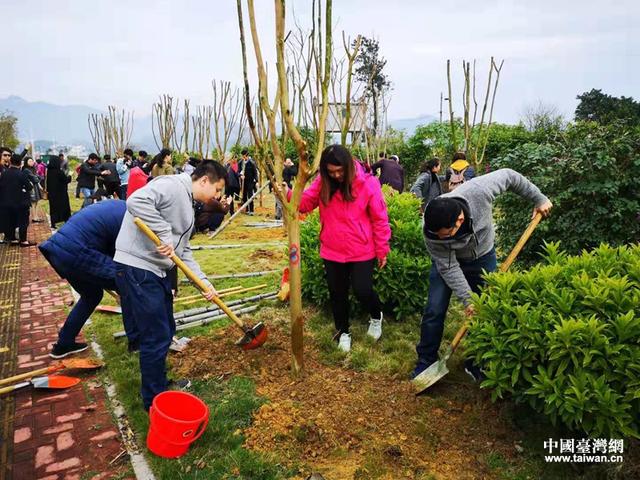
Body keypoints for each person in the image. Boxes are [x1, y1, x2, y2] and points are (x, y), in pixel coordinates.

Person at [413, 168, 553, 381]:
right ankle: (426, 361)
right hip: (450, 262)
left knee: (486, 310)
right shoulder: (431, 232)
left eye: (445, 235)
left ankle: (476, 360)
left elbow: (509, 175)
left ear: (459, 220)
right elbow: (449, 268)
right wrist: (469, 301)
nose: (441, 238)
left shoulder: (478, 191)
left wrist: (539, 198)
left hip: (483, 257)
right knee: (434, 309)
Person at [114, 160, 226, 411]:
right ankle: (154, 400)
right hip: (139, 267)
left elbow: (182, 252)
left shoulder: (188, 203)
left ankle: (159, 385)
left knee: (165, 330)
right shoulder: (173, 185)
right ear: (205, 181)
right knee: (155, 335)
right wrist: (163, 232)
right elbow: (135, 201)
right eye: (217, 190)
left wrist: (203, 283)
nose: (217, 196)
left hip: (156, 270)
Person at [290, 144, 391, 352]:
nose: (336, 176)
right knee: (337, 294)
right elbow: (305, 204)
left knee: (363, 290)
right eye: (331, 172)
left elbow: (380, 219)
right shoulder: (323, 183)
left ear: (348, 165)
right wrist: (289, 193)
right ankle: (343, 331)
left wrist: (382, 249)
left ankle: (375, 315)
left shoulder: (368, 184)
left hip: (361, 249)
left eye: (340, 171)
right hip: (332, 249)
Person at [39, 200, 139, 357]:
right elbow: (120, 257)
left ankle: (64, 343)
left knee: (91, 295)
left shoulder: (119, 206)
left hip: (57, 250)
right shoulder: (130, 218)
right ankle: (137, 342)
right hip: (78, 250)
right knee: (126, 283)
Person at [0, 154, 33, 246]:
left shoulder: (4, 173)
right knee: (23, 222)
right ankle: (23, 241)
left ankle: (13, 240)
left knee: (11, 221)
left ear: (11, 161)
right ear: (20, 163)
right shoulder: (21, 174)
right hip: (21, 203)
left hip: (6, 203)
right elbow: (29, 186)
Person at [46, 156, 72, 230]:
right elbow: (66, 180)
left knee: (53, 208)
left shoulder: (49, 171)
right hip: (61, 193)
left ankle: (53, 223)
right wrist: (70, 175)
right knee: (63, 207)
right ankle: (64, 220)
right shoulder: (59, 172)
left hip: (52, 194)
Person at [22, 156, 45, 223]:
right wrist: (37, 178)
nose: (31, 162)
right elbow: (35, 178)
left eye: (32, 161)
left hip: (35, 187)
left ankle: (36, 216)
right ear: (26, 162)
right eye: (30, 161)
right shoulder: (26, 170)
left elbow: (38, 177)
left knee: (37, 202)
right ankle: (34, 217)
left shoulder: (32, 169)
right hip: (31, 188)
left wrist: (37, 178)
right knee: (33, 202)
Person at [240, 149, 258, 215]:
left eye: (243, 156)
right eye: (242, 156)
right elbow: (238, 170)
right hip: (243, 181)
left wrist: (256, 181)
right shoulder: (241, 162)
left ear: (246, 155)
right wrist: (240, 175)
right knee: (244, 195)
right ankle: (246, 209)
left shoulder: (251, 162)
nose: (243, 157)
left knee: (250, 196)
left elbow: (255, 172)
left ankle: (252, 210)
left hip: (250, 181)